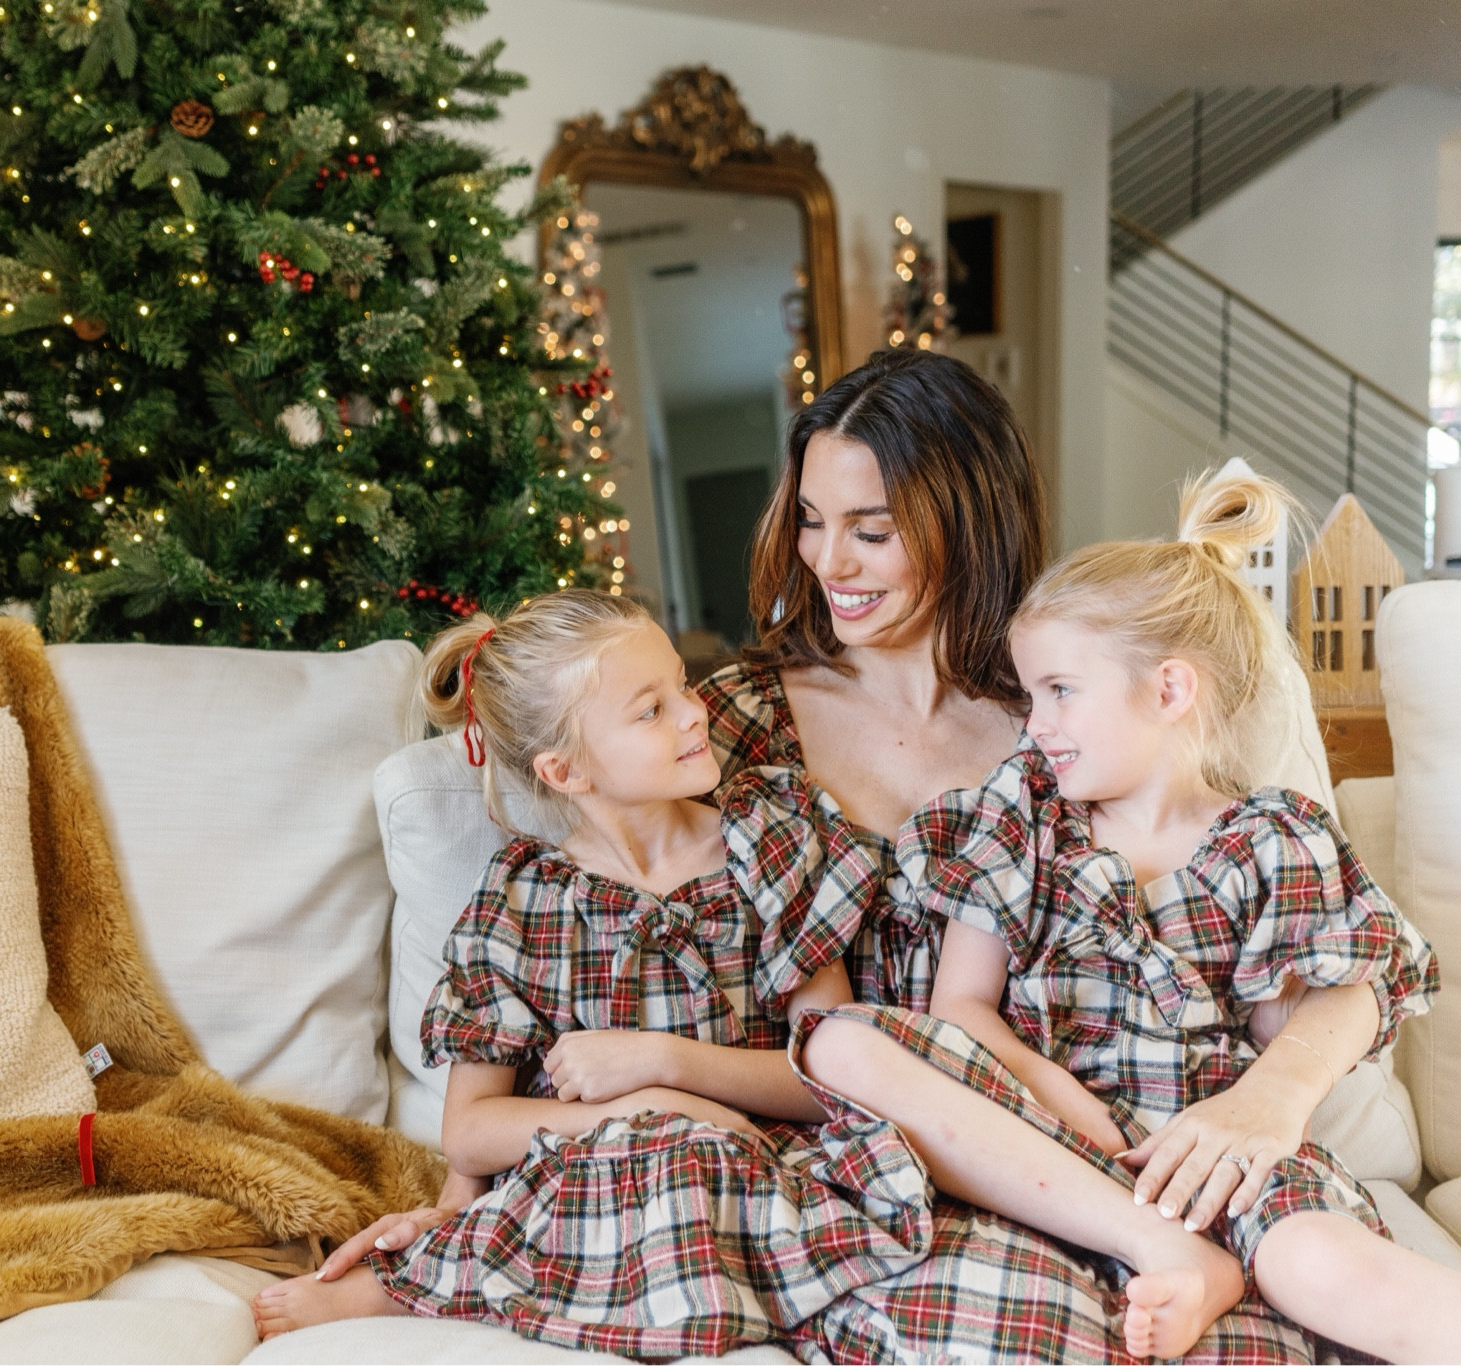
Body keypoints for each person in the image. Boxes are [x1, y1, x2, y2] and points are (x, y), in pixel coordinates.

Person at [289, 350, 1314, 1359]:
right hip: (838, 1155)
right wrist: (460, 1209)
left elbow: (1258, 880)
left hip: (1057, 1130)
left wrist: (1271, 1092)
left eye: (869, 530)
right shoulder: (723, 732)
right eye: (812, 523)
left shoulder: (1067, 718)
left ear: (964, 523)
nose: (827, 563)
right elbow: (582, 913)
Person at [253, 590, 939, 1357]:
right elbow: (473, 1131)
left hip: (765, 1161)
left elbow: (840, 1075)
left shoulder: (770, 839)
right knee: (663, 1154)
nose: (692, 712)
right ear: (566, 770)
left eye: (681, 683)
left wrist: (666, 1063)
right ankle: (425, 1286)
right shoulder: (522, 902)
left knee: (706, 1167)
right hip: (602, 1173)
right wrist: (651, 1107)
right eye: (651, 710)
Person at [871, 470, 1452, 1362]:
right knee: (990, 1287)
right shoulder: (1023, 820)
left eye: (1060, 691)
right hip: (1044, 1152)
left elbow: (1306, 1012)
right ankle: (1181, 1275)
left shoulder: (1267, 837)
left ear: (1170, 690)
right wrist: (1058, 1093)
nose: (1035, 727)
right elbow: (959, 1009)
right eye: (1031, 697)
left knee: (1319, 1258)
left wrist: (1266, 1098)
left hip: (1206, 1151)